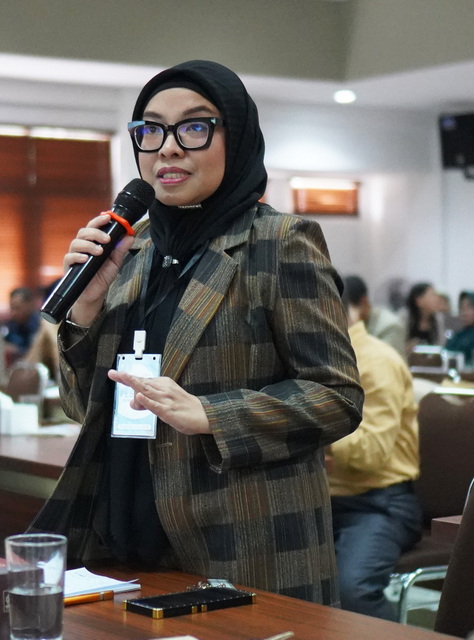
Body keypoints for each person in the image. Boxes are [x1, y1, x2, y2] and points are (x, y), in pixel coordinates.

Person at [30, 60, 363, 605]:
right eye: (151, 130)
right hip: (123, 546)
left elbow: (337, 396)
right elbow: (80, 407)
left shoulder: (278, 243)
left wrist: (211, 414)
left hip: (242, 551)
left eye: (193, 127)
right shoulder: (131, 251)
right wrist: (86, 309)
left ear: (237, 137)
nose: (168, 148)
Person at [330, 287, 421, 619]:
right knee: (255, 575)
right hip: (319, 502)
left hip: (378, 503)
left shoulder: (377, 361)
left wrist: (309, 428)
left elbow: (372, 453)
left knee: (352, 592)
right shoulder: (310, 359)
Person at [342, 275, 407, 357]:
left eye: (345, 310)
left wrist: (352, 327)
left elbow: (381, 360)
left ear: (364, 301)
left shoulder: (390, 326)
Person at [404, 282, 444, 354]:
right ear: (419, 301)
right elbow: (397, 346)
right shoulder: (405, 318)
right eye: (432, 295)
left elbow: (441, 345)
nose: (437, 299)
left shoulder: (437, 319)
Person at [3, 286, 40, 357]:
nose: (13, 313)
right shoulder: (10, 325)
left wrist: (18, 351)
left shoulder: (41, 326)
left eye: (17, 308)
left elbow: (40, 352)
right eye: (12, 308)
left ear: (30, 305)